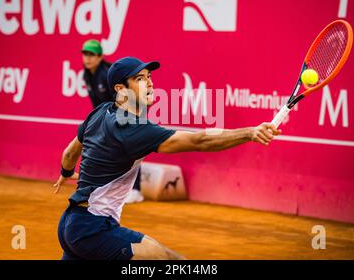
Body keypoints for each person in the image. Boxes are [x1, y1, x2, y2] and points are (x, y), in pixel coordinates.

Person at [54, 57, 281, 260]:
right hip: (92, 229)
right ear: (121, 89)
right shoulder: (132, 128)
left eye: (149, 77)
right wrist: (249, 133)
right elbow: (199, 140)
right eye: (140, 79)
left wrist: (65, 173)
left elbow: (69, 153)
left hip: (70, 224)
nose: (150, 83)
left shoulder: (101, 111)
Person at [80, 39, 144, 203]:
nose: (87, 58)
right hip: (111, 114)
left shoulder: (107, 74)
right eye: (85, 54)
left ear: (100, 57)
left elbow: (126, 96)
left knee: (131, 150)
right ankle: (106, 188)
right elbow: (97, 104)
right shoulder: (86, 75)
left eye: (91, 54)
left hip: (130, 109)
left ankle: (136, 190)